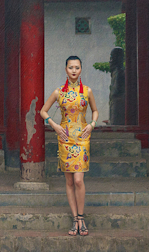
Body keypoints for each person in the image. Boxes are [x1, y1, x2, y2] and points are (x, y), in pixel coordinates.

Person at [39, 56, 99, 236]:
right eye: (71, 67)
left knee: (79, 180)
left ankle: (81, 217)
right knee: (69, 181)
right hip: (64, 138)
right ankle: (75, 219)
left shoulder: (87, 91)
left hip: (82, 137)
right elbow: (43, 111)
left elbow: (95, 110)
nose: (74, 70)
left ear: (81, 70)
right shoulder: (59, 92)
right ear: (66, 69)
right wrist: (55, 126)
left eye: (77, 67)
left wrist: (92, 124)